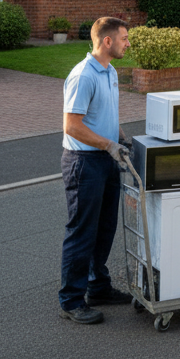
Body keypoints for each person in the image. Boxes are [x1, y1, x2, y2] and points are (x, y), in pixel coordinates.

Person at [58, 17, 133, 324]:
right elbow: (72, 125)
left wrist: (120, 137)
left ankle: (98, 287)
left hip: (105, 159)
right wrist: (107, 145)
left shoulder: (110, 71)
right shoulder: (83, 76)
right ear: (107, 42)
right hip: (84, 163)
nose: (128, 43)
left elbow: (103, 114)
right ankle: (71, 300)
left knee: (104, 229)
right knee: (82, 233)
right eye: (124, 38)